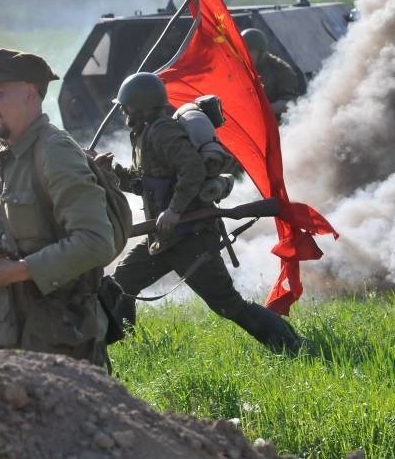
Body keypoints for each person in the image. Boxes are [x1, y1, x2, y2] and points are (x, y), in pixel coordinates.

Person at [97, 72, 303, 354]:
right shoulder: (144, 134)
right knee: (122, 282)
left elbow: (192, 170)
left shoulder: (163, 132)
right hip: (165, 237)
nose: (122, 110)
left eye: (126, 105)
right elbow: (143, 182)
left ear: (141, 106)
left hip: (190, 237)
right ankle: (127, 346)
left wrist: (173, 210)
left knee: (228, 305)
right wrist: (110, 173)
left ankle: (293, 346)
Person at [0, 46, 116, 367]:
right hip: (8, 332)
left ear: (30, 93)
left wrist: (15, 271)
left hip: (61, 345)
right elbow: (18, 242)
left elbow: (97, 243)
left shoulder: (55, 153)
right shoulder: (8, 155)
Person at [241, 28, 301, 120]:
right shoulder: (240, 67)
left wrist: (262, 110)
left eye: (249, 52)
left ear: (260, 52)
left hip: (275, 123)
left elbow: (289, 103)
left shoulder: (281, 70)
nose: (244, 55)